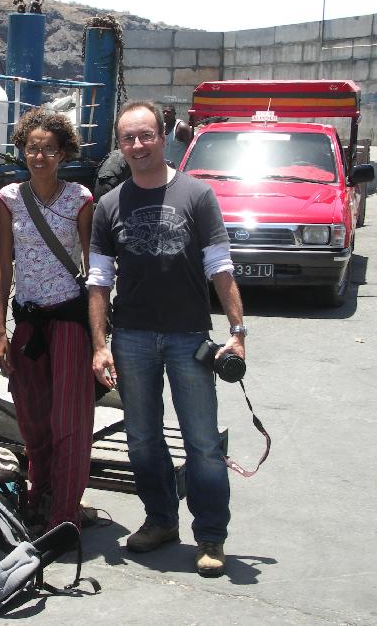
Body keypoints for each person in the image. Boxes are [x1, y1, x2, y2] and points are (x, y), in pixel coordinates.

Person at [87, 101, 246, 578]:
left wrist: (237, 333)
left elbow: (220, 266)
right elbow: (97, 281)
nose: (138, 146)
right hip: (131, 339)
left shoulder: (198, 196)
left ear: (163, 136)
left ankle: (211, 536)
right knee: (142, 438)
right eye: (128, 139)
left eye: (146, 136)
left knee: (202, 442)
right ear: (120, 145)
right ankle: (160, 521)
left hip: (188, 337)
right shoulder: (110, 205)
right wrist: (100, 344)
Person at [0, 108, 95, 531]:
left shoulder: (80, 199)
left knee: (69, 419)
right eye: (32, 148)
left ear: (63, 153)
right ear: (22, 150)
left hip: (70, 320)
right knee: (32, 415)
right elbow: (3, 264)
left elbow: (95, 268)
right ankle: (39, 490)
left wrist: (102, 335)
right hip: (28, 322)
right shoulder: (9, 199)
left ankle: (63, 513)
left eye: (48, 150)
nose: (39, 157)